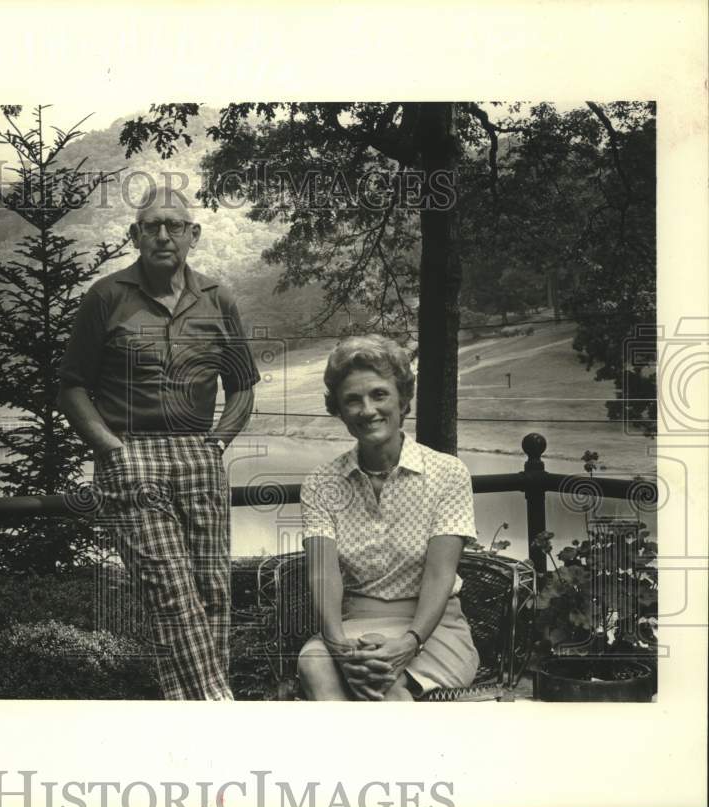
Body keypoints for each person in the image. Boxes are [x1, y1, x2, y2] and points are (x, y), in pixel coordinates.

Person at [57, 184, 260, 700]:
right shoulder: (106, 297)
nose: (163, 235)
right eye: (152, 226)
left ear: (194, 235)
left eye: (175, 226)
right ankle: (219, 706)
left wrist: (217, 444)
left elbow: (242, 386)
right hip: (131, 455)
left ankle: (190, 717)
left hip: (200, 453)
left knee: (213, 593)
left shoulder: (219, 298)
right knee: (171, 590)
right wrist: (110, 449)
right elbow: (71, 386)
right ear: (135, 236)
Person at [296, 335, 479, 701]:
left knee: (389, 690)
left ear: (403, 400)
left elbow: (441, 574)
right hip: (353, 625)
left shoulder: (448, 473)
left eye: (379, 395)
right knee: (314, 660)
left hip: (431, 628)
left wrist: (409, 642)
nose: (367, 410)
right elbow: (323, 572)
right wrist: (337, 645)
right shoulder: (320, 483)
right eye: (352, 400)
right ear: (340, 411)